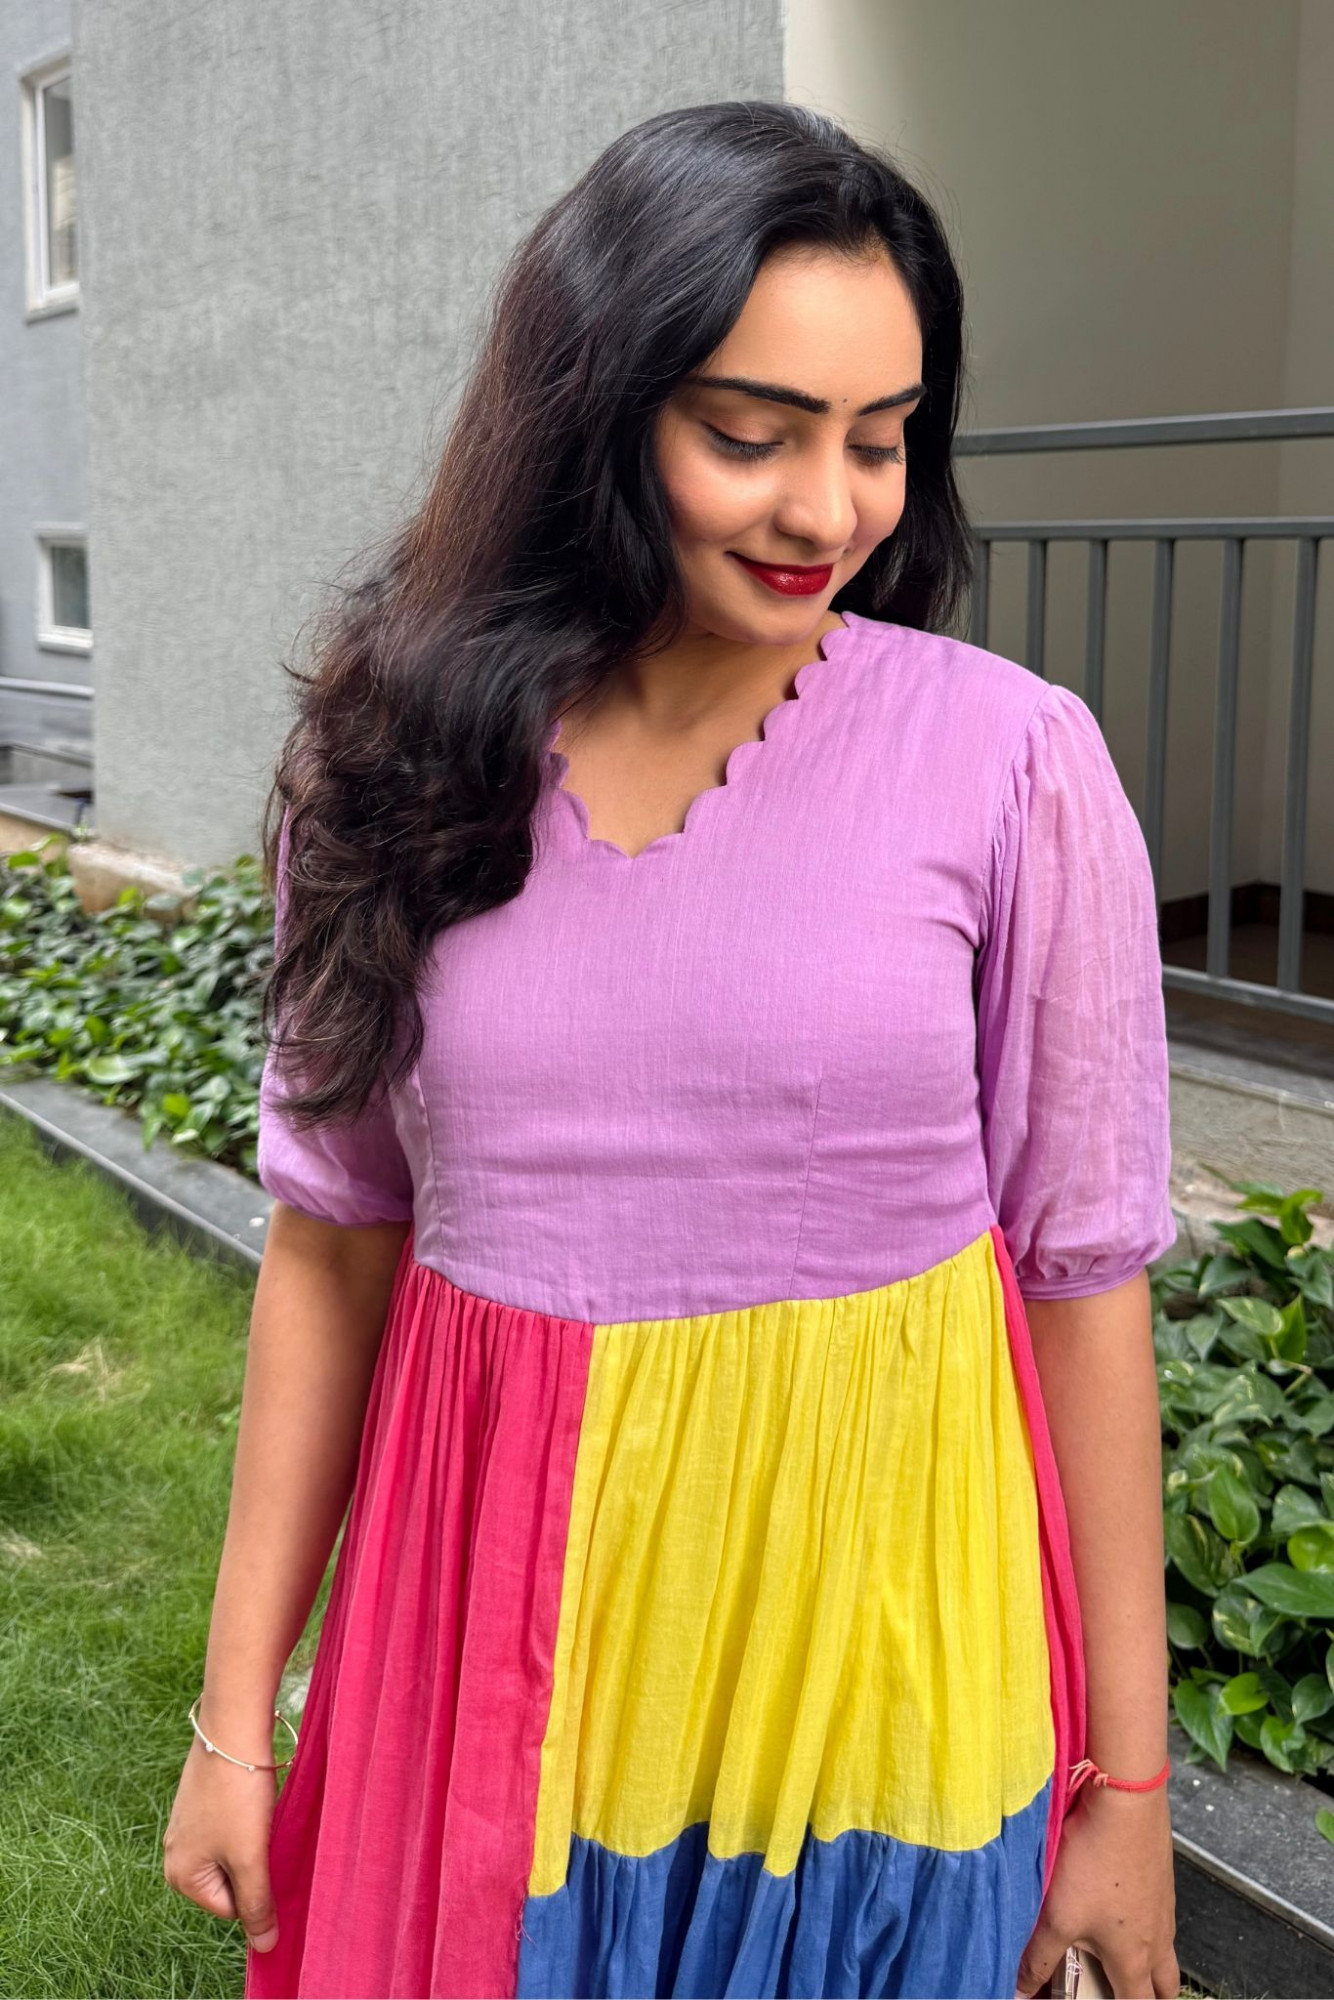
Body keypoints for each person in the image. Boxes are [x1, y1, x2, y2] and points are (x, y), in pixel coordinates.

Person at [162, 100, 1181, 2000]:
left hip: (882, 1654)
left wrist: (1127, 1788)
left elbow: (1081, 1281)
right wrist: (238, 1716)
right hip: (484, 1637)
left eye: (879, 437)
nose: (829, 511)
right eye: (751, 433)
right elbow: (331, 1246)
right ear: (595, 411)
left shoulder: (1011, 763)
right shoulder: (389, 767)